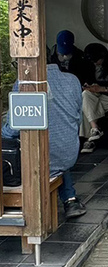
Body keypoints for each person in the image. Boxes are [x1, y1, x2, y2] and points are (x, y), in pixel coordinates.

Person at [1, 63, 87, 218]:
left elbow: (13, 128)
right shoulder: (73, 80)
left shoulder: (24, 83)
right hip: (69, 152)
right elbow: (78, 118)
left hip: (41, 158)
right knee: (52, 147)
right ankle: (70, 199)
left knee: (23, 143)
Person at [79, 43, 108, 154]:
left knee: (86, 106)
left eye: (97, 60)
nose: (95, 63)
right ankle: (95, 129)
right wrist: (89, 86)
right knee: (85, 95)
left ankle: (90, 138)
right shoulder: (90, 67)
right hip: (96, 98)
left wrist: (101, 88)